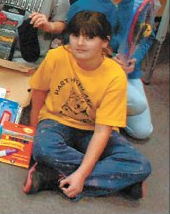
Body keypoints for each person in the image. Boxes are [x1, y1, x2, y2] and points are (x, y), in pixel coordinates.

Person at [24, 11, 151, 201]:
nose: (80, 43)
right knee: (43, 148)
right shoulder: (56, 56)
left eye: (90, 37)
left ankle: (52, 177)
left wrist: (82, 175)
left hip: (93, 129)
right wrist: (33, 130)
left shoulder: (115, 75)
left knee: (140, 165)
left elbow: (102, 131)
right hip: (56, 120)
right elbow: (39, 91)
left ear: (105, 42)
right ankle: (115, 178)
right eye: (75, 35)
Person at [67, 0, 154, 139]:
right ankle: (96, 110)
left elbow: (147, 37)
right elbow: (70, 46)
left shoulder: (142, 3)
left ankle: (101, 110)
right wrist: (104, 62)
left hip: (126, 73)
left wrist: (134, 60)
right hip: (92, 73)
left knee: (143, 131)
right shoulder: (83, 6)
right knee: (137, 104)